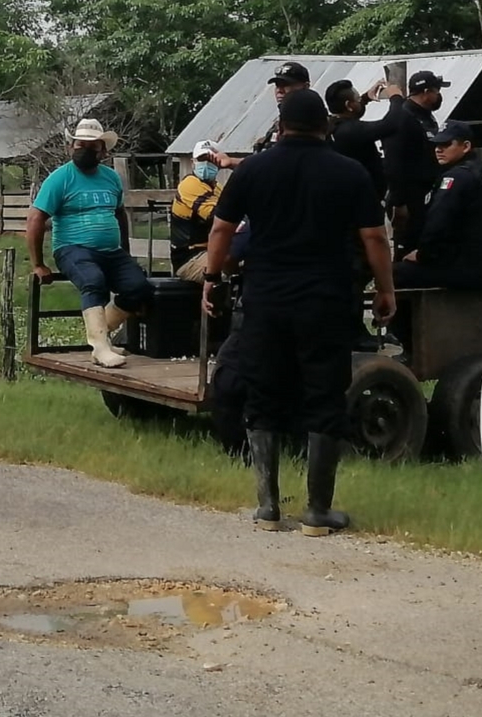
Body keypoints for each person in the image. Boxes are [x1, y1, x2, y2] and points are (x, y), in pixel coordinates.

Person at [199, 89, 395, 536]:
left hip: (265, 298)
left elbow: (222, 228)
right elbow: (375, 239)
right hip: (326, 298)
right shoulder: (349, 172)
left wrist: (211, 278)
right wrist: (386, 290)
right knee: (324, 395)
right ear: (325, 125)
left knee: (263, 391)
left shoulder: (253, 169)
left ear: (281, 124)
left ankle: (268, 507)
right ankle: (317, 512)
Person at [25, 118, 154, 369]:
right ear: (70, 146)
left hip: (111, 250)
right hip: (73, 247)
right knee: (93, 280)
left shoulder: (111, 178)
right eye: (79, 144)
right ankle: (101, 347)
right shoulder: (59, 179)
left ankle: (100, 335)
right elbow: (35, 218)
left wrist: (124, 252)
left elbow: (119, 214)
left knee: (139, 288)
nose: (83, 149)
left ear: (102, 151)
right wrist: (38, 263)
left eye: (91, 146)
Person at [393, 119, 482, 292]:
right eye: (437, 145)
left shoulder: (457, 177)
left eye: (446, 144)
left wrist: (422, 254)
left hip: (464, 269)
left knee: (393, 273)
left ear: (466, 146)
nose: (439, 149)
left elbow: (438, 224)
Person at [382, 70, 449, 254]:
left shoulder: (426, 116)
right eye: (436, 91)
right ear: (426, 92)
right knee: (408, 246)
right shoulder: (404, 116)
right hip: (408, 197)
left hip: (426, 193)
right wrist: (399, 202)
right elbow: (394, 161)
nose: (439, 96)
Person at [326, 78, 409, 200]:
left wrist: (366, 98)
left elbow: (354, 112)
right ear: (349, 105)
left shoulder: (332, 124)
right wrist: (396, 97)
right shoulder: (350, 131)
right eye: (358, 99)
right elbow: (390, 125)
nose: (360, 102)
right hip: (364, 198)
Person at [169, 140, 222, 281]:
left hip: (212, 251)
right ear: (193, 162)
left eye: (210, 160)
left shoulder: (218, 188)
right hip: (190, 257)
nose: (206, 164)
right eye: (201, 160)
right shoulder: (189, 184)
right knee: (227, 272)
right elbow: (218, 216)